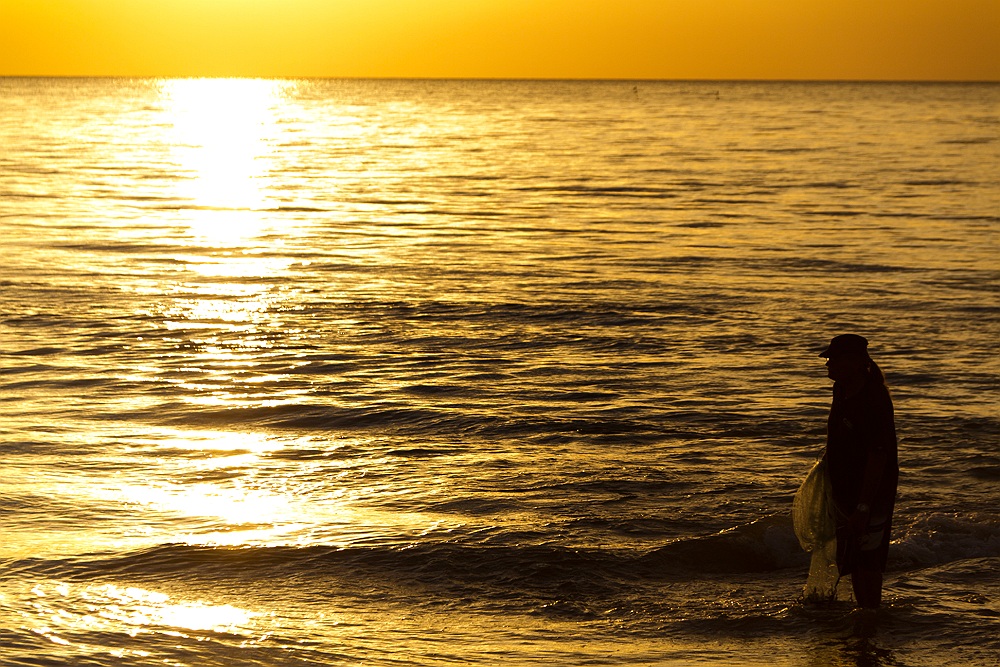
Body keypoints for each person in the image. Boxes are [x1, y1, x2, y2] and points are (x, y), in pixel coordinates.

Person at [820, 334, 899, 609]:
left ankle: (871, 619)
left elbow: (878, 455)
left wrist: (864, 506)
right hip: (845, 492)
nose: (827, 364)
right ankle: (864, 618)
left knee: (867, 559)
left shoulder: (873, 399)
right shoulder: (841, 391)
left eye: (833, 359)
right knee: (852, 558)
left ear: (854, 363)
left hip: (870, 495)